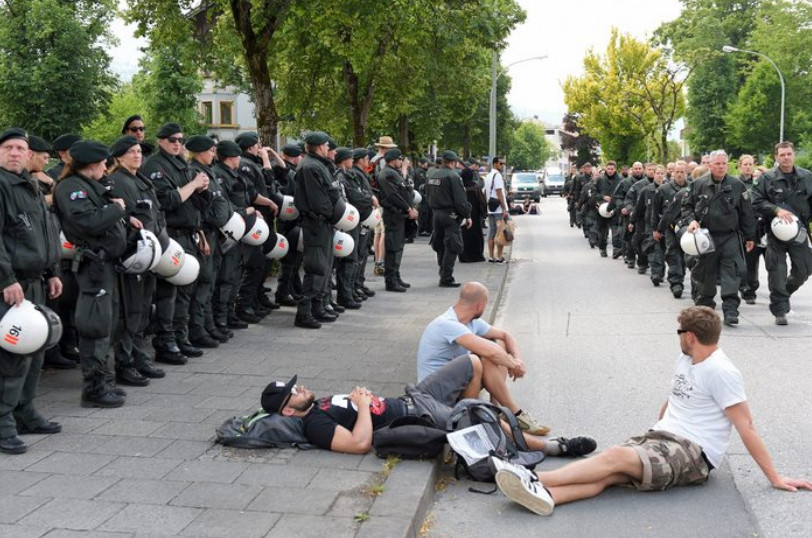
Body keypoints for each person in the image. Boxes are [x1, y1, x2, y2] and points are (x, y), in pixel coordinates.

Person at [493, 306, 812, 516]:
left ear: (690, 337)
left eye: (679, 333)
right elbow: (675, 398)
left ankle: (533, 477)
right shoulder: (686, 359)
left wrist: (775, 477)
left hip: (693, 454)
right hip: (664, 437)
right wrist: (657, 427)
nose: (677, 338)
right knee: (610, 474)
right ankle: (548, 497)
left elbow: (747, 426)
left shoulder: (721, 371)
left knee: (614, 457)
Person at [262, 354, 595, 457]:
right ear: (288, 411)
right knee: (481, 418)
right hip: (417, 415)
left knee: (471, 362)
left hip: (414, 397)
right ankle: (555, 447)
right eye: (293, 392)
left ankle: (473, 424)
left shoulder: (318, 404)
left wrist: (360, 397)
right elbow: (359, 444)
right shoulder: (315, 424)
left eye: (296, 385)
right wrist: (362, 404)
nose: (300, 388)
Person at [0, 128, 63, 454]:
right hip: (11, 287)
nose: (15, 153)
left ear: (28, 155)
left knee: (34, 352)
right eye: (8, 147)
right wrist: (5, 279)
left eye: (20, 148)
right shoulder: (2, 185)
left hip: (34, 282)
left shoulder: (29, 185)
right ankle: (3, 424)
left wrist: (51, 271)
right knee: (11, 359)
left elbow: (44, 233)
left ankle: (25, 412)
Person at [416, 282, 548, 436]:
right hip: (434, 396)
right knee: (479, 359)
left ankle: (497, 408)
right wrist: (513, 365)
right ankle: (514, 413)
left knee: (499, 343)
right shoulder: (447, 324)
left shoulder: (471, 322)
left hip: (454, 386)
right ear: (479, 305)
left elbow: (505, 335)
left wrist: (518, 360)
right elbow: (491, 352)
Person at [53, 141, 129, 408]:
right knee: (94, 326)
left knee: (105, 323)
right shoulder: (71, 188)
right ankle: (94, 388)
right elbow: (88, 222)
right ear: (93, 164)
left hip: (105, 263)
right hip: (93, 265)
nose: (106, 169)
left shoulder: (90, 185)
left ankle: (103, 380)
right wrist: (116, 209)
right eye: (104, 164)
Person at [142, 123, 209, 361]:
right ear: (161, 141)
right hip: (170, 234)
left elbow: (198, 204)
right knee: (167, 293)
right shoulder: (155, 166)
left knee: (185, 291)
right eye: (172, 140)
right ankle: (165, 341)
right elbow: (166, 201)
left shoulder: (181, 165)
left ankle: (181, 337)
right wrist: (193, 185)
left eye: (181, 140)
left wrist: (202, 189)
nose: (177, 143)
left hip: (188, 233)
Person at [106, 136, 168, 387]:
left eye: (139, 151)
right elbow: (123, 218)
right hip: (133, 254)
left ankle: (140, 358)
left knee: (142, 309)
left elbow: (156, 214)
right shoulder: (118, 181)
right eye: (131, 152)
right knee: (129, 312)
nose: (137, 155)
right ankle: (125, 363)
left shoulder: (140, 179)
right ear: (119, 157)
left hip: (149, 253)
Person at [682, 150, 756, 326]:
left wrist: (750, 236)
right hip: (706, 236)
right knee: (705, 273)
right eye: (717, 164)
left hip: (729, 236)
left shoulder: (737, 185)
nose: (721, 167)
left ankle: (731, 310)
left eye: (724, 163)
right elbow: (686, 207)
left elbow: (747, 213)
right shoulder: (698, 184)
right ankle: (706, 309)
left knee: (731, 273)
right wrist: (691, 221)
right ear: (710, 165)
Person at [751, 142, 812, 325]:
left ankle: (784, 293)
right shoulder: (766, 178)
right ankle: (779, 309)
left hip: (799, 231)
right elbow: (756, 201)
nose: (786, 158)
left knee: (804, 269)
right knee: (776, 271)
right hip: (775, 232)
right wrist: (776, 210)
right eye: (782, 155)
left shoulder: (807, 177)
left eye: (789, 154)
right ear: (776, 157)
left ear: (794, 155)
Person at [293, 131, 341, 328]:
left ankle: (317, 307)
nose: (329, 148)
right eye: (326, 145)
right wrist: (332, 214)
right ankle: (304, 313)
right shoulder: (311, 166)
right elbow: (318, 200)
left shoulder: (317, 164)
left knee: (325, 266)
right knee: (316, 267)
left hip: (323, 223)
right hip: (316, 223)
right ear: (320, 146)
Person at [426, 150, 472, 287]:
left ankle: (442, 272)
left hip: (436, 213)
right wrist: (467, 215)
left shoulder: (432, 174)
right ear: (453, 162)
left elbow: (427, 194)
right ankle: (446, 277)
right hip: (450, 215)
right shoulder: (453, 176)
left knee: (440, 244)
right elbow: (460, 200)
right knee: (452, 245)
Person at [377, 148, 418, 292]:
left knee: (398, 247)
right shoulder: (386, 174)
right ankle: (391, 280)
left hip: (400, 215)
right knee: (393, 248)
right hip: (393, 214)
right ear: (393, 160)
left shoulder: (395, 173)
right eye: (399, 159)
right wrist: (408, 208)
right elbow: (393, 195)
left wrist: (410, 208)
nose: (401, 162)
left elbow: (406, 190)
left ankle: (396, 275)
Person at [654, 160, 689, 298]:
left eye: (682, 172)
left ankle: (685, 279)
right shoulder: (663, 189)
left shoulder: (693, 187)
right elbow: (655, 211)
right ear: (673, 172)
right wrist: (656, 229)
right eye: (677, 172)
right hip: (670, 228)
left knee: (687, 256)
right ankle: (676, 283)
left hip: (687, 228)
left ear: (686, 172)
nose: (679, 174)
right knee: (673, 254)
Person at [737, 154, 764, 305]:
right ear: (740, 166)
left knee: (753, 259)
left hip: (758, 226)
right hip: (741, 227)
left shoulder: (759, 183)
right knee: (745, 260)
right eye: (745, 164)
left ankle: (750, 289)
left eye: (750, 164)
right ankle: (745, 287)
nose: (748, 167)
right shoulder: (735, 183)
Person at [459, 161, 487, 263]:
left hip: (463, 215)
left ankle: (464, 256)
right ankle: (476, 255)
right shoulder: (476, 188)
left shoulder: (460, 188)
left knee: (464, 235)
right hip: (475, 216)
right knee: (476, 235)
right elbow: (482, 202)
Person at [483, 156, 509, 262]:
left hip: (490, 208)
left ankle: (490, 256)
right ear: (495, 164)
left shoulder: (488, 175)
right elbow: (499, 192)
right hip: (498, 209)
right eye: (500, 163)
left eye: (503, 164)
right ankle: (498, 256)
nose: (502, 165)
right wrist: (504, 208)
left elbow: (485, 191)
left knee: (492, 231)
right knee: (500, 232)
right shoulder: (497, 175)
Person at [595, 161, 622, 258]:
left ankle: (616, 249)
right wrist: (602, 197)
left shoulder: (621, 180)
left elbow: (624, 194)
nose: (610, 171)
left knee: (616, 231)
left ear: (615, 169)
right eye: (608, 169)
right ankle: (602, 249)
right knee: (602, 232)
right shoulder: (600, 179)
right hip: (602, 209)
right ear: (606, 168)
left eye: (612, 169)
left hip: (615, 209)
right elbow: (594, 193)